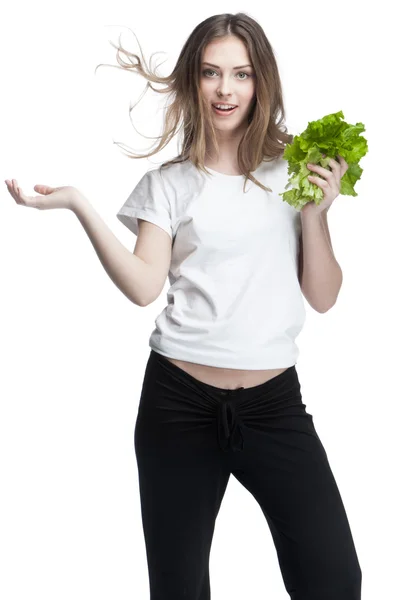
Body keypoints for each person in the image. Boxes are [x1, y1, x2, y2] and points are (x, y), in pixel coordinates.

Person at [5, 12, 362, 600]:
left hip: (274, 405)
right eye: (211, 73)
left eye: (242, 74)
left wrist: (317, 216)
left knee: (333, 578)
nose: (226, 89)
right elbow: (145, 286)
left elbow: (323, 297)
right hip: (178, 404)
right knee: (178, 588)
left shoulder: (296, 168)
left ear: (261, 81)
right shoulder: (170, 183)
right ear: (193, 82)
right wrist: (78, 205)